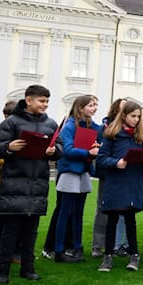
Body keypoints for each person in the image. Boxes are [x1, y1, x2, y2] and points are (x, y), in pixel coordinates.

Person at [0, 84, 61, 284]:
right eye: (41, 100)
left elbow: (60, 146)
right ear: (28, 100)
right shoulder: (12, 122)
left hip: (37, 184)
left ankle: (28, 268)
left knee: (31, 230)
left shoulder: (51, 124)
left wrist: (53, 151)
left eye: (47, 101)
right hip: (14, 182)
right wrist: (9, 146)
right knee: (10, 230)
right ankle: (3, 270)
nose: (45, 105)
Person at [95, 101, 143, 272]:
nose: (136, 119)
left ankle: (134, 255)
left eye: (138, 116)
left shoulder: (141, 136)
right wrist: (115, 162)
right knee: (111, 220)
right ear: (124, 115)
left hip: (133, 182)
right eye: (133, 116)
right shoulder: (112, 134)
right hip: (115, 182)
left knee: (130, 220)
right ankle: (108, 256)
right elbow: (101, 159)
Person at [52, 95, 101, 263]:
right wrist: (88, 152)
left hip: (83, 171)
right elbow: (67, 150)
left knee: (78, 213)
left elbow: (100, 138)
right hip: (70, 172)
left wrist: (96, 147)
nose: (94, 108)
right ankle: (59, 250)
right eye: (91, 105)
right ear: (80, 108)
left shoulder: (92, 126)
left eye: (95, 105)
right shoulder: (70, 126)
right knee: (65, 212)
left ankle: (77, 247)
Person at [91, 99, 128, 258]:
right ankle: (98, 245)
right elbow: (100, 152)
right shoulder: (104, 128)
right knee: (103, 210)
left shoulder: (130, 129)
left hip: (125, 175)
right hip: (108, 173)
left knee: (125, 211)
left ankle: (118, 244)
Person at [0, 100, 18, 266]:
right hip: (3, 187)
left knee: (17, 223)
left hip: (19, 187)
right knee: (1, 224)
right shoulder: (2, 134)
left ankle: (14, 252)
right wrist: (12, 161)